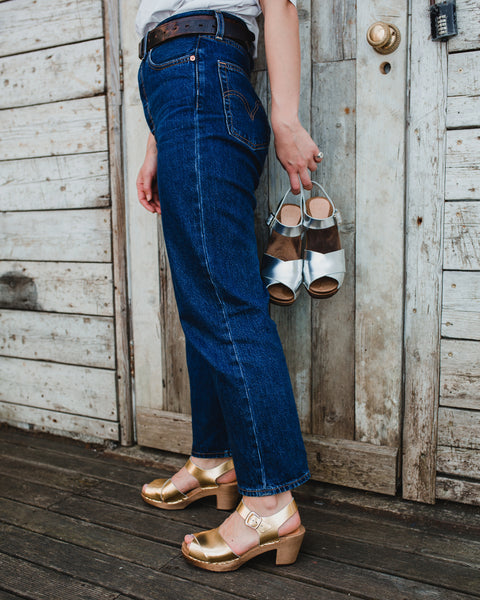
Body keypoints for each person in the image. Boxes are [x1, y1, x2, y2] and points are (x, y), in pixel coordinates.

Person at [135, 0, 321, 572]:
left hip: (200, 74)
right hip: (178, 90)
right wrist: (155, 146)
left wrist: (286, 119)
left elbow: (278, 5)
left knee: (226, 302)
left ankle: (269, 504)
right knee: (203, 299)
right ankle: (215, 460)